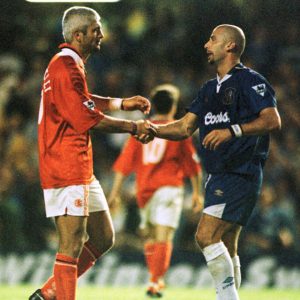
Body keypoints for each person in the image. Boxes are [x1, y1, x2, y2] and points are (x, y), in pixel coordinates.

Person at [139, 24, 281, 300]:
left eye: (212, 39)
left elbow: (272, 120)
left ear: (230, 46)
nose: (206, 44)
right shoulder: (208, 89)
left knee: (205, 236)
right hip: (219, 173)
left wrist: (232, 131)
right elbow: (183, 128)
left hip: (240, 172)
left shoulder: (250, 81)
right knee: (228, 244)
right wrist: (151, 129)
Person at [29, 6, 155, 300]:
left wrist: (122, 103)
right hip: (66, 165)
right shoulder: (65, 66)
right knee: (71, 244)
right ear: (78, 35)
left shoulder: (69, 64)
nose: (101, 34)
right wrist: (133, 128)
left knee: (103, 237)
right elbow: (86, 118)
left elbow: (83, 101)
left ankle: (47, 294)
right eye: (95, 30)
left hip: (79, 166)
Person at [108, 84, 203, 298]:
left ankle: (154, 280)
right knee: (163, 235)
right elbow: (193, 164)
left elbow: (123, 165)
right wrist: (197, 192)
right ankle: (156, 280)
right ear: (174, 107)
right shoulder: (177, 129)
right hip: (169, 188)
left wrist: (114, 193)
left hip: (145, 190)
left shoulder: (141, 129)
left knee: (150, 237)